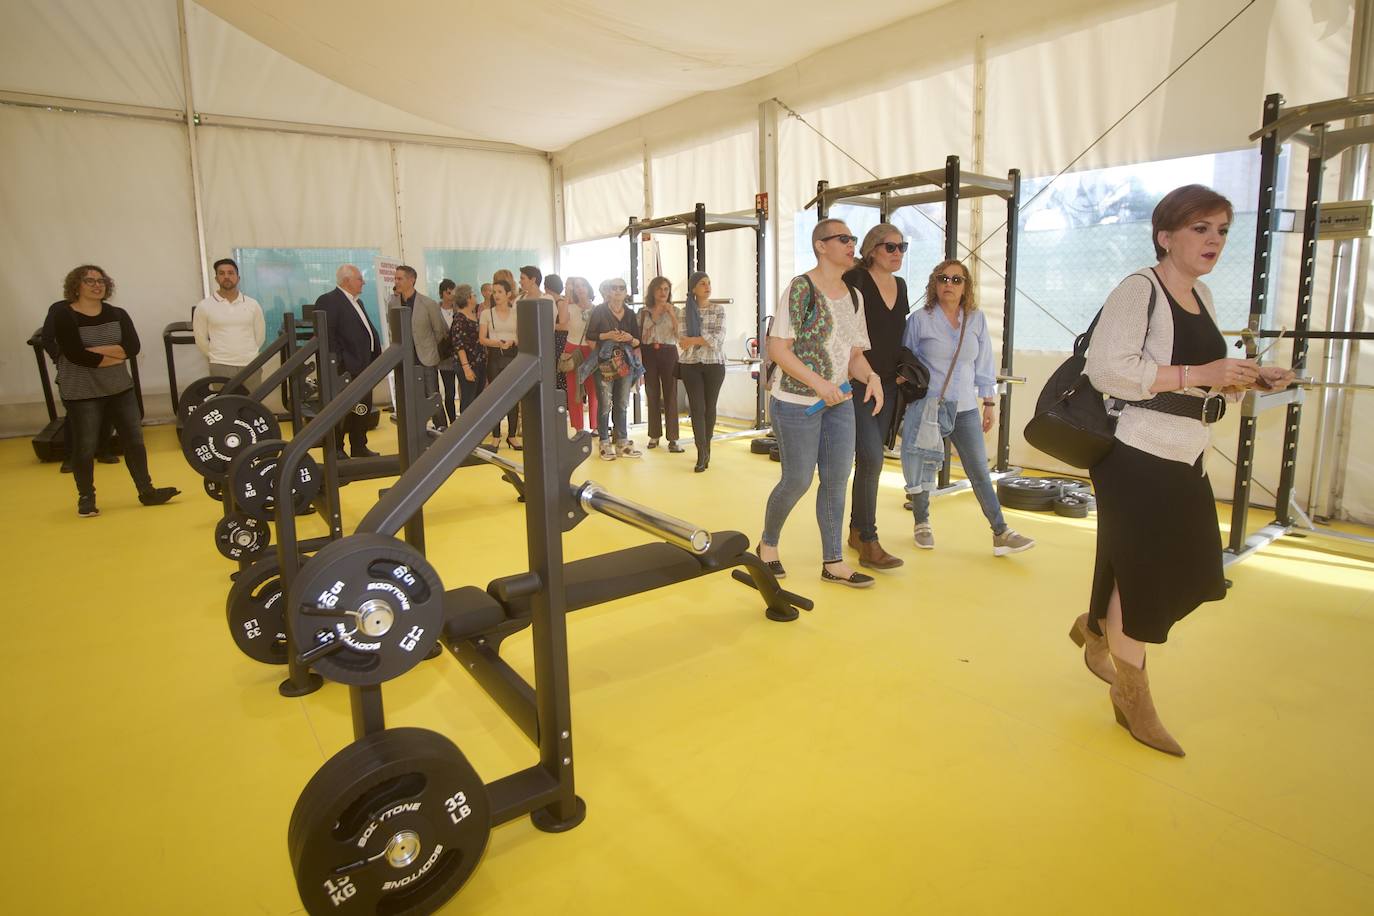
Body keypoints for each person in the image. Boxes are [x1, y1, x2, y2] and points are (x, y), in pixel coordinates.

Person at [1078, 184, 1292, 756]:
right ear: (1165, 236)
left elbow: (1203, 375)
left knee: (1184, 568)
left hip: (1185, 451)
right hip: (1137, 452)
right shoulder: (1138, 289)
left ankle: (1096, 628)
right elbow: (1108, 371)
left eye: (1221, 230)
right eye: (1200, 228)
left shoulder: (1204, 296)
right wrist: (1201, 373)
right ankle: (1133, 698)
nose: (1214, 240)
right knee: (1144, 579)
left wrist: (1249, 378)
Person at [758, 220, 881, 588]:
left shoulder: (855, 296)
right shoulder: (801, 288)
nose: (851, 244)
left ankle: (834, 561)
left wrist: (871, 376)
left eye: (853, 238)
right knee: (797, 480)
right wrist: (820, 384)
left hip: (839, 402)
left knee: (836, 480)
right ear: (820, 246)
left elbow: (854, 355)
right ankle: (767, 544)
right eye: (843, 238)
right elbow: (778, 349)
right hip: (796, 403)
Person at [899, 259, 1033, 558]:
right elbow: (906, 364)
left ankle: (1001, 532)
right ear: (934, 284)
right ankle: (921, 522)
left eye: (956, 279)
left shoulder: (976, 319)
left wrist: (989, 402)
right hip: (929, 406)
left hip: (966, 408)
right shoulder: (920, 319)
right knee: (923, 467)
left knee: (979, 471)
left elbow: (984, 363)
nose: (949, 284)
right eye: (943, 278)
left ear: (966, 286)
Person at [51, 265, 179, 517]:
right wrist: (113, 353)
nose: (97, 285)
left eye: (101, 281)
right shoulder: (64, 316)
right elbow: (75, 355)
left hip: (119, 387)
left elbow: (131, 348)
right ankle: (86, 498)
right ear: (76, 285)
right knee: (85, 446)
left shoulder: (117, 314)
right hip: (82, 392)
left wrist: (96, 353)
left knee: (134, 441)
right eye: (89, 281)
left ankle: (146, 491)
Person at [843, 225, 910, 570]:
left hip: (889, 384)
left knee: (871, 460)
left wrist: (902, 370)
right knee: (871, 458)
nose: (898, 253)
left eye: (902, 247)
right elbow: (845, 331)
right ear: (872, 250)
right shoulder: (856, 281)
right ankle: (868, 539)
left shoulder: (901, 286)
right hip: (859, 381)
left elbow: (898, 334)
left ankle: (857, 531)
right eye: (890, 247)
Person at [314, 264, 381, 458]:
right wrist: (340, 362)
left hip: (364, 366)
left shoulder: (358, 302)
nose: (363, 282)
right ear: (346, 280)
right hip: (345, 369)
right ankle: (336, 448)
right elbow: (328, 336)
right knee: (342, 410)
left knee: (362, 408)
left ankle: (359, 445)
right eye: (360, 278)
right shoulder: (329, 300)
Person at [42, 299, 117, 471]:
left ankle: (104, 450)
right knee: (76, 414)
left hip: (101, 366)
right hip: (74, 369)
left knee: (107, 408)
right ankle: (70, 457)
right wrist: (59, 359)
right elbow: (47, 338)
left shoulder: (105, 309)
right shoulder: (59, 309)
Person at [578, 278, 643, 460]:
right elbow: (590, 336)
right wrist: (607, 335)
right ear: (608, 291)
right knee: (605, 403)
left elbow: (638, 341)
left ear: (626, 292)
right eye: (614, 288)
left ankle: (622, 441)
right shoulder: (600, 311)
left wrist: (629, 338)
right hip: (605, 362)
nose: (617, 291)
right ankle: (604, 442)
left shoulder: (630, 314)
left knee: (622, 403)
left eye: (621, 288)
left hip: (625, 363)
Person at [192, 257, 266, 391]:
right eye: (222, 273)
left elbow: (260, 336)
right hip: (220, 365)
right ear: (216, 278)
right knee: (225, 402)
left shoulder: (253, 305)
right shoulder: (204, 306)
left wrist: (249, 353)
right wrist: (216, 355)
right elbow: (200, 339)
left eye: (230, 273)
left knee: (252, 402)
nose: (226, 276)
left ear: (238, 278)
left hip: (251, 364)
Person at [388, 265, 448, 430]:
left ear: (411, 280)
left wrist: (427, 347)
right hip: (404, 359)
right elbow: (392, 329)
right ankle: (415, 430)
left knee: (432, 394)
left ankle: (442, 428)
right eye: (395, 278)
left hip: (426, 357)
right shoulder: (392, 303)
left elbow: (439, 331)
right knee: (409, 397)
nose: (396, 282)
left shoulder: (428, 303)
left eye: (400, 278)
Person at [678, 272, 727, 472]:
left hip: (714, 363)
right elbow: (683, 341)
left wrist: (695, 338)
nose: (707, 287)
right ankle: (701, 452)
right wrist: (700, 339)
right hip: (690, 364)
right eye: (702, 284)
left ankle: (707, 447)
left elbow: (717, 341)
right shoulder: (684, 312)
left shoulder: (718, 310)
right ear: (693, 289)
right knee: (697, 409)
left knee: (709, 408)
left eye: (709, 283)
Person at [639, 276, 684, 453]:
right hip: (649, 352)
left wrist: (671, 314)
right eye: (659, 289)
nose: (663, 292)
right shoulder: (644, 312)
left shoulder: (676, 311)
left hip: (669, 351)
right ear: (652, 291)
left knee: (671, 394)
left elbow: (680, 335)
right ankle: (654, 434)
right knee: (652, 393)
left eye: (666, 289)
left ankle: (673, 438)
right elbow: (639, 336)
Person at [479, 277, 521, 449]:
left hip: (513, 355)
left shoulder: (516, 313)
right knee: (495, 397)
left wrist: (513, 341)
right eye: (494, 292)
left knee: (513, 396)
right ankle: (496, 435)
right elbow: (482, 339)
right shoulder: (486, 313)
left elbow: (521, 336)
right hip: (495, 356)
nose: (496, 295)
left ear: (508, 294)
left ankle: (512, 435)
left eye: (499, 292)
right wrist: (497, 343)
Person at [562, 276, 599, 431]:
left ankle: (596, 426)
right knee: (574, 389)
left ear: (588, 287)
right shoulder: (570, 307)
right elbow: (562, 321)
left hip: (591, 349)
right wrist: (566, 296)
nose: (580, 288)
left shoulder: (596, 309)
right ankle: (578, 427)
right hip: (573, 349)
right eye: (576, 286)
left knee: (594, 390)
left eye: (583, 285)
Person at [448, 284, 485, 416]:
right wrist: (466, 367)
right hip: (468, 364)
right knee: (468, 399)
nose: (475, 297)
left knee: (478, 398)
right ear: (468, 298)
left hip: (479, 362)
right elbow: (459, 345)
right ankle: (466, 426)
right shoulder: (460, 318)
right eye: (473, 295)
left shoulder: (474, 315)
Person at [436, 279, 459, 425]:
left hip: (461, 356)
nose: (451, 295)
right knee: (449, 392)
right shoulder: (435, 310)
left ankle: (465, 419)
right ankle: (452, 420)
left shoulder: (459, 309)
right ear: (442, 293)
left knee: (464, 391)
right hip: (444, 357)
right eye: (448, 292)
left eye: (453, 292)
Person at [544, 273, 570, 398]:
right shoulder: (556, 301)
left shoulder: (560, 302)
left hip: (560, 341)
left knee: (559, 371)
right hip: (557, 341)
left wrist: (547, 326)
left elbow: (565, 326)